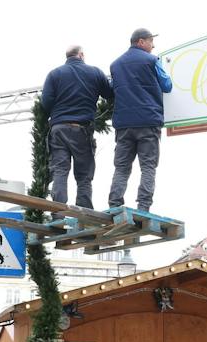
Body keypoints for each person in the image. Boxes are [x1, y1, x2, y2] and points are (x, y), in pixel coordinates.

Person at [108, 29, 173, 214]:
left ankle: (114, 205)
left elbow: (113, 89)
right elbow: (167, 86)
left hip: (123, 125)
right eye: (152, 42)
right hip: (147, 122)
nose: (153, 46)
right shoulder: (152, 61)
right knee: (148, 166)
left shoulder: (116, 65)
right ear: (141, 42)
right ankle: (143, 207)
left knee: (121, 168)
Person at [39, 45, 113, 210]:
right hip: (82, 130)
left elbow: (46, 103)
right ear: (81, 55)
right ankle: (84, 214)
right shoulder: (95, 72)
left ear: (67, 57)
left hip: (58, 129)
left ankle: (57, 212)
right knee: (84, 176)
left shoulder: (54, 74)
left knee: (60, 171)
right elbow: (110, 94)